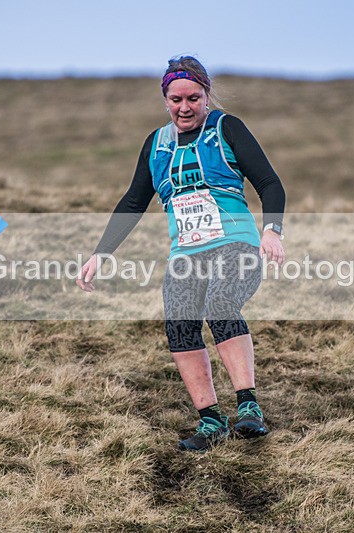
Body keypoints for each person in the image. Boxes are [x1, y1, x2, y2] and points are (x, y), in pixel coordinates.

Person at [77, 56, 285, 452]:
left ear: (206, 96)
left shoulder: (227, 128)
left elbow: (270, 182)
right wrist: (101, 254)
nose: (184, 107)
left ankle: (248, 408)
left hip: (236, 245)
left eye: (193, 97)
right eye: (176, 99)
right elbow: (133, 201)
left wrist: (272, 230)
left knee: (222, 303)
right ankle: (210, 422)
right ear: (165, 99)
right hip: (186, 255)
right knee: (180, 326)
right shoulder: (155, 145)